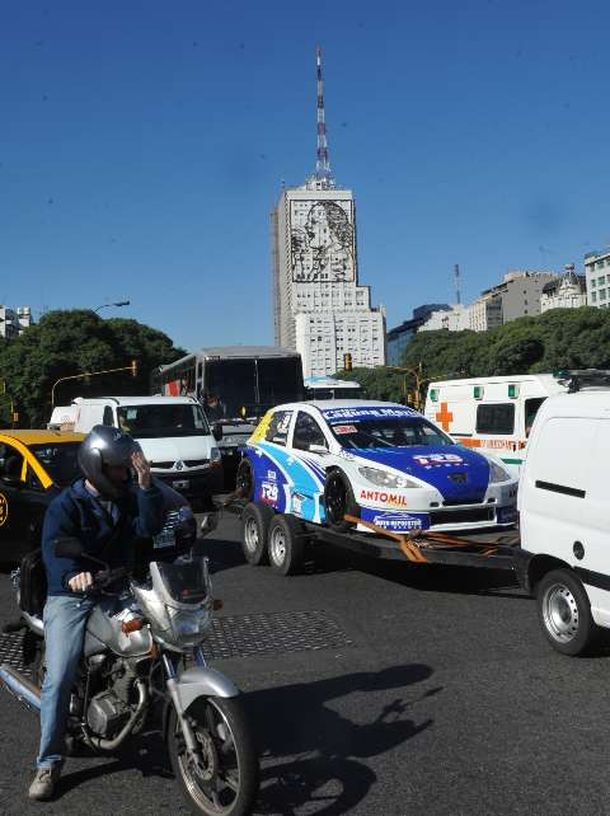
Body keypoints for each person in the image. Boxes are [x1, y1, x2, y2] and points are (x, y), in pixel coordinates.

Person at [28, 425, 165, 802]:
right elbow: (54, 549)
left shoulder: (124, 497)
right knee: (59, 676)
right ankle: (48, 762)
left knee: (160, 639)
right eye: (121, 469)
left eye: (128, 468)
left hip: (116, 588)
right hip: (71, 597)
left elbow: (149, 528)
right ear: (97, 467)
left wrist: (146, 484)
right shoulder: (65, 505)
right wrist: (72, 576)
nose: (125, 474)